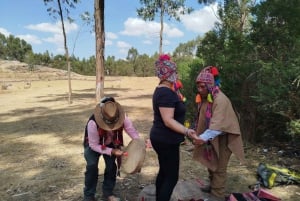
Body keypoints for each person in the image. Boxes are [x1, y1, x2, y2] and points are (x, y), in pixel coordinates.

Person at [189, 66, 245, 199]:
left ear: (209, 85)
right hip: (212, 137)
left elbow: (217, 126)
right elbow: (202, 118)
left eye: (203, 87)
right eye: (198, 86)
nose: (200, 90)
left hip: (225, 138)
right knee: (210, 162)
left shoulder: (220, 100)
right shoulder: (206, 97)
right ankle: (212, 185)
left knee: (219, 168)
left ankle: (217, 194)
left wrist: (201, 138)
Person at [150, 54, 195, 201]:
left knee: (164, 172)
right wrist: (187, 131)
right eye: (175, 72)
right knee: (171, 177)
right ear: (169, 75)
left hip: (162, 138)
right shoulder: (165, 93)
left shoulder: (164, 91)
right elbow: (168, 120)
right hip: (166, 140)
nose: (177, 75)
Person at [83, 97, 140, 201]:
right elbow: (94, 145)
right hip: (93, 144)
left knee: (111, 166)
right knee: (92, 166)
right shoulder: (93, 122)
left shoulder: (122, 117)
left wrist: (139, 145)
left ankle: (108, 193)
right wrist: (112, 151)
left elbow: (131, 130)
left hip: (110, 142)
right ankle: (89, 195)